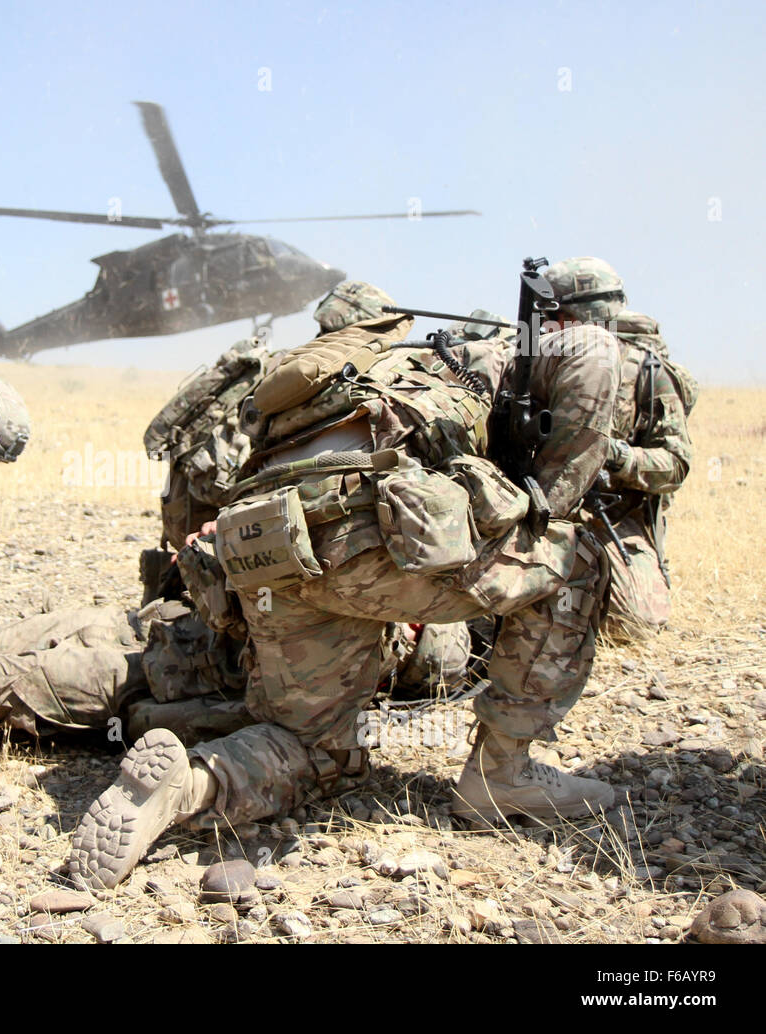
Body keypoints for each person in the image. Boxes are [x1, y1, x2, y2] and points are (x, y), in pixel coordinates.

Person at [69, 267, 623, 890]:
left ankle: (189, 785)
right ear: (575, 316)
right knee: (578, 559)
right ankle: (502, 775)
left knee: (317, 749)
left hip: (267, 551)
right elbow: (590, 373)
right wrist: (547, 500)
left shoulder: (357, 371)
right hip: (364, 536)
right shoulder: (535, 345)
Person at [589, 308, 693, 641]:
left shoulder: (649, 373)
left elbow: (674, 465)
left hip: (612, 514)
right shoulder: (549, 361)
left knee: (636, 620)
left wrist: (616, 455)